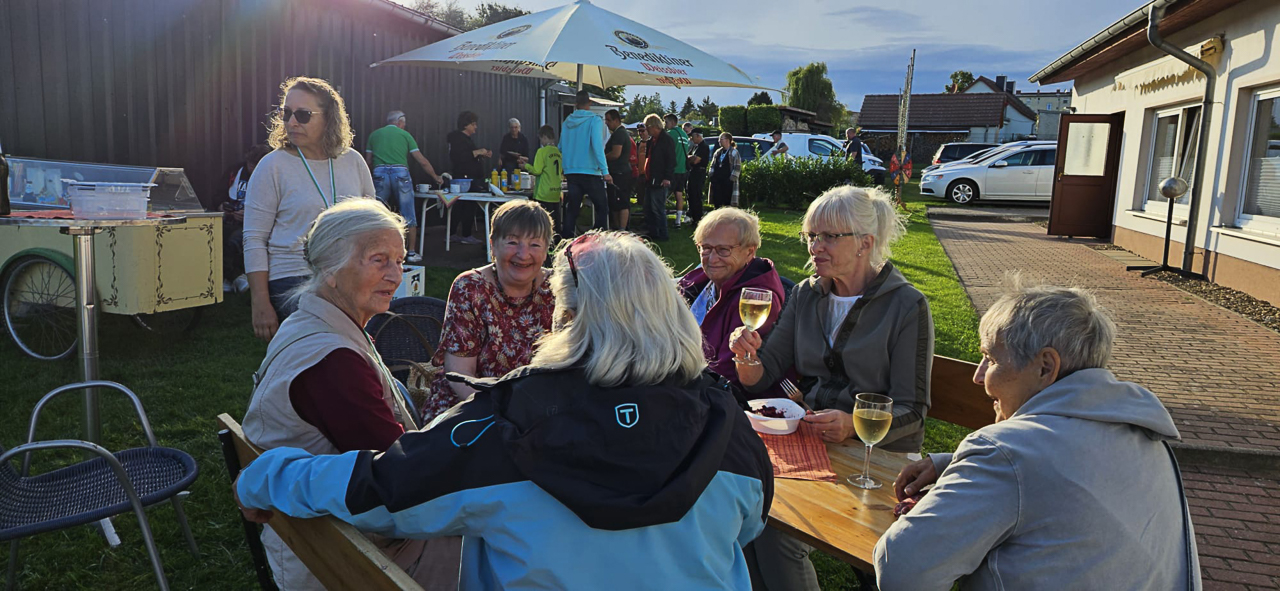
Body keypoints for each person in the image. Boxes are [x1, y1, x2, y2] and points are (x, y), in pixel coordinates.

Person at [234, 231, 773, 590]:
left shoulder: (503, 425)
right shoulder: (727, 425)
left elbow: (380, 488)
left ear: (567, 316)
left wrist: (266, 475)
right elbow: (750, 525)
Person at [875, 283, 1201, 591]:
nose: (978, 376)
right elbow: (1066, 478)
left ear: (1045, 366)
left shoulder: (1008, 452)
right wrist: (955, 465)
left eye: (990, 359)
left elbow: (901, 569)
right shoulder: (1148, 440)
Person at [240, 198, 460, 590]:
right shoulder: (333, 362)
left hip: (329, 531)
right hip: (345, 555)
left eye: (400, 260)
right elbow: (399, 477)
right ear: (330, 269)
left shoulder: (311, 322)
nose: (396, 275)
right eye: (379, 260)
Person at [728, 185, 934, 590]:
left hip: (879, 458)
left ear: (865, 243)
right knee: (750, 513)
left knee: (775, 534)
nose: (815, 247)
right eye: (811, 236)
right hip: (812, 443)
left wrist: (853, 423)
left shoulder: (906, 305)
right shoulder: (808, 294)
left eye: (829, 236)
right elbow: (762, 374)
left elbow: (913, 410)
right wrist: (745, 355)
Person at [244, 76, 375, 341]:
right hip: (294, 276)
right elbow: (254, 238)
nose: (292, 122)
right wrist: (260, 302)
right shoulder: (273, 166)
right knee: (330, 339)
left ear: (328, 118)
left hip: (347, 274)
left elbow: (372, 223)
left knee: (365, 342)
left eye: (303, 115)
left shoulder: (353, 161)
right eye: (286, 113)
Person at [419, 200, 556, 423]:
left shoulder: (557, 288)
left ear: (547, 248)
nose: (523, 254)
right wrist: (506, 417)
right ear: (493, 245)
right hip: (471, 405)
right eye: (512, 242)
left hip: (538, 410)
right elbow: (460, 375)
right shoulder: (470, 287)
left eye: (535, 244)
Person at [678, 208, 785, 391]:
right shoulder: (699, 280)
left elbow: (726, 376)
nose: (712, 259)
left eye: (723, 250)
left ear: (750, 252)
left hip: (711, 394)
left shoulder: (755, 301)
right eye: (706, 248)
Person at [365, 110, 444, 264]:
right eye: (404, 123)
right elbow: (422, 161)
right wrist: (435, 177)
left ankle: (374, 250)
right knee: (408, 212)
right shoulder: (405, 135)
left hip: (379, 172)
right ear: (400, 122)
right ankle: (411, 252)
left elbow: (368, 162)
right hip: (400, 173)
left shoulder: (374, 135)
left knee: (376, 213)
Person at [220, 143, 271, 294]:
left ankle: (233, 277)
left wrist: (250, 216)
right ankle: (232, 277)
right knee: (215, 235)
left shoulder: (271, 177)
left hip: (255, 225)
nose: (252, 169)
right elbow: (219, 194)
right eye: (251, 165)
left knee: (233, 241)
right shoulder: (235, 171)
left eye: (256, 165)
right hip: (231, 219)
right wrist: (222, 206)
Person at [559, 90, 611, 238]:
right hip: (590, 171)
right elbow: (597, 146)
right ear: (590, 103)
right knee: (602, 207)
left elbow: (561, 146)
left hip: (571, 170)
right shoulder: (595, 120)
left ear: (575, 104)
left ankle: (566, 240)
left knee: (573, 209)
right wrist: (605, 171)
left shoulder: (567, 122)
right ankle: (598, 238)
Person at [446, 111, 491, 246]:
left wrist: (482, 154)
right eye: (473, 124)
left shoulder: (467, 139)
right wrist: (478, 152)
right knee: (464, 205)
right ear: (466, 125)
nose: (476, 127)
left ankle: (457, 233)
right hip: (464, 178)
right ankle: (462, 234)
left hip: (472, 177)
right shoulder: (457, 139)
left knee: (466, 205)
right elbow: (460, 157)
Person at [520, 125, 564, 236]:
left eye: (541, 139)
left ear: (544, 137)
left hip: (543, 193)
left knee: (542, 224)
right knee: (555, 224)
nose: (541, 142)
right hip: (556, 192)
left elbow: (537, 170)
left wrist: (526, 166)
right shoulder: (558, 153)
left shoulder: (542, 151)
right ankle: (557, 243)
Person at [642, 114, 676, 242]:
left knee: (658, 208)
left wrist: (667, 177)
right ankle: (653, 232)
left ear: (654, 126)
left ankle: (663, 234)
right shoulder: (652, 141)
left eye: (647, 127)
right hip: (651, 179)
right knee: (648, 207)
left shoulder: (666, 140)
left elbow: (671, 160)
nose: (647, 130)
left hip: (660, 179)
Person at [603, 109, 635, 231]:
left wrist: (601, 158)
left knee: (622, 202)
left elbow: (616, 154)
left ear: (616, 120)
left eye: (609, 120)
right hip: (618, 172)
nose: (606, 123)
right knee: (615, 202)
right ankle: (617, 228)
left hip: (620, 173)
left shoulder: (619, 134)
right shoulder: (619, 133)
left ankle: (622, 229)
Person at [665, 114, 691, 227]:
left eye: (666, 122)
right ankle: (678, 221)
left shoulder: (670, 134)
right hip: (682, 169)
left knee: (663, 195)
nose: (665, 125)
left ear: (672, 122)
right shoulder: (684, 134)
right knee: (679, 195)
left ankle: (661, 220)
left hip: (672, 170)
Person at [709, 132, 743, 208]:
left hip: (728, 182)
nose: (719, 141)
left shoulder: (734, 152)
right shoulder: (718, 152)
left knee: (727, 202)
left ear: (727, 140)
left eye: (721, 139)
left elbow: (737, 167)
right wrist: (711, 175)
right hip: (717, 181)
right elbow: (713, 165)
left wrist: (731, 179)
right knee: (717, 201)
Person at [686, 128, 711, 225]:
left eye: (692, 136)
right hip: (693, 172)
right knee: (691, 194)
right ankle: (693, 216)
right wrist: (690, 158)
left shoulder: (703, 147)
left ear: (698, 135)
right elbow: (689, 157)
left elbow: (696, 160)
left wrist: (691, 158)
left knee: (696, 195)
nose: (691, 139)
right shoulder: (695, 147)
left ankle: (698, 217)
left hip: (699, 172)